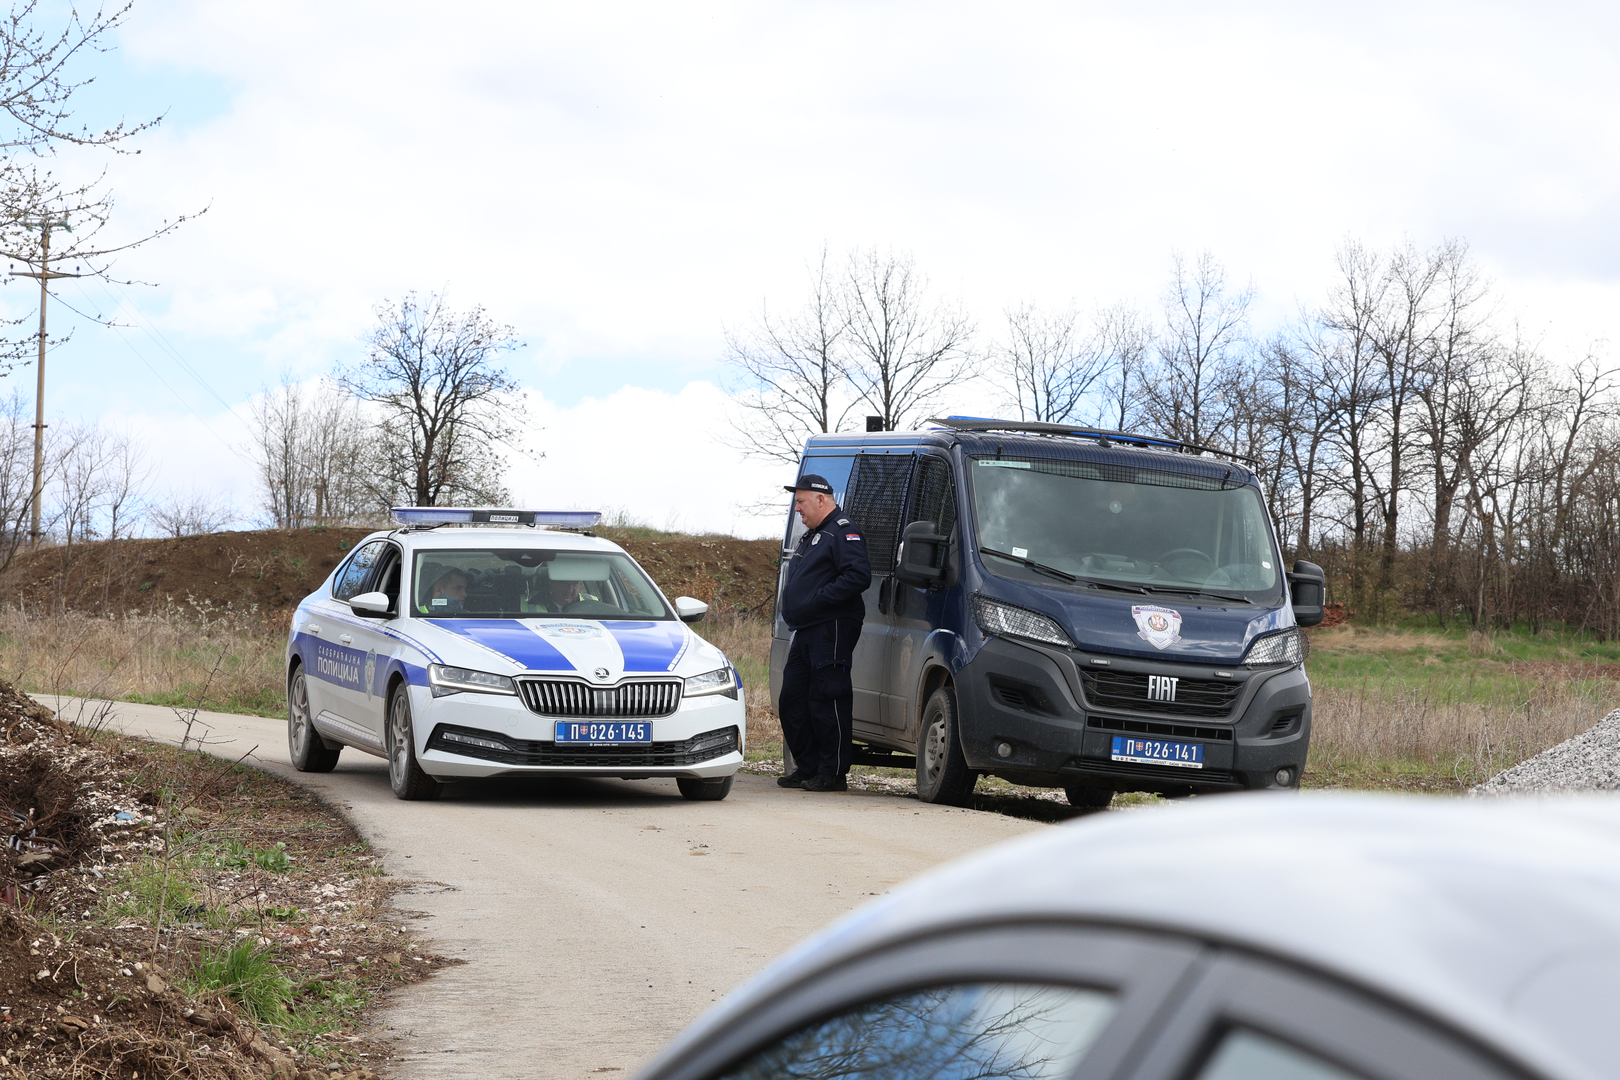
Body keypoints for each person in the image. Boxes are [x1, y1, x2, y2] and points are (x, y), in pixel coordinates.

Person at [776, 473, 872, 792]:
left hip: (831, 627)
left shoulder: (843, 532)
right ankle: (808, 767)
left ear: (821, 499)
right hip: (806, 629)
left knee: (827, 698)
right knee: (792, 700)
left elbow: (858, 576)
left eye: (801, 502)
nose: (797, 509)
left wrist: (817, 601)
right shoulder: (814, 535)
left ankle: (832, 772)